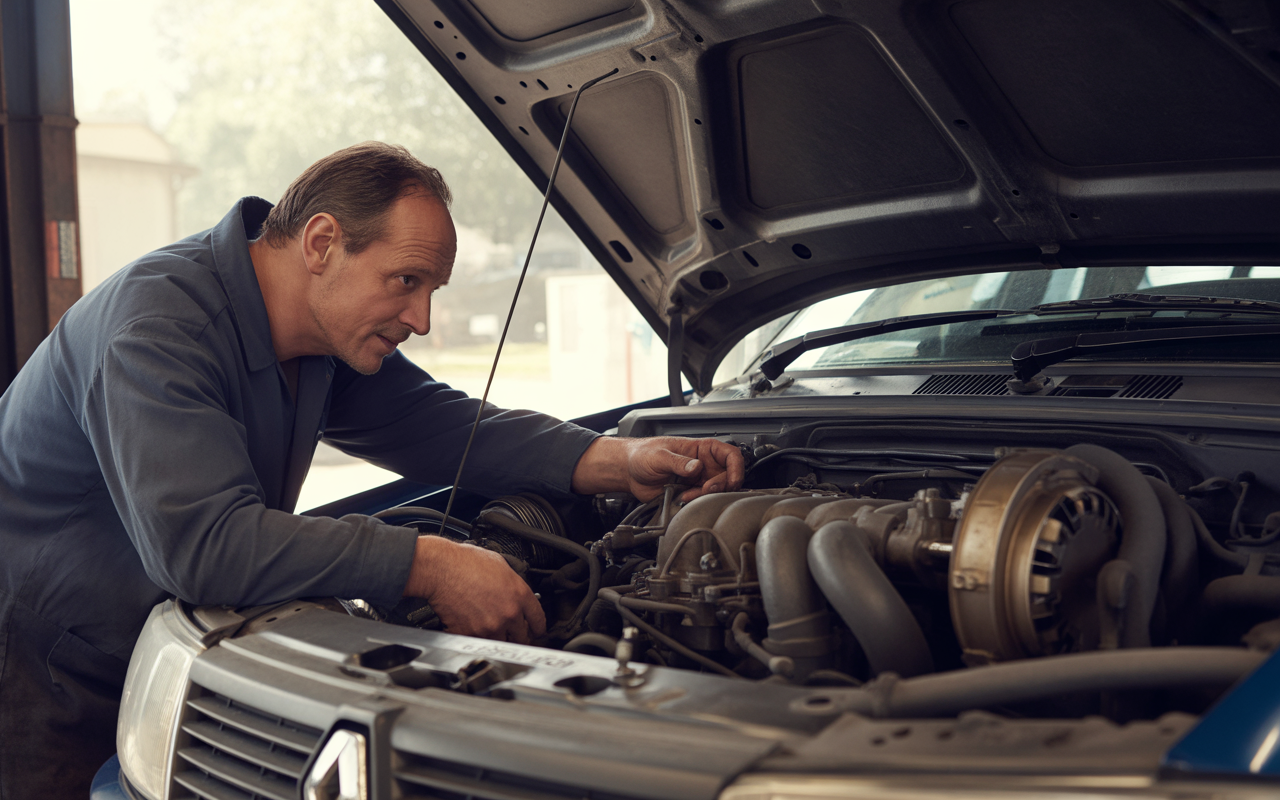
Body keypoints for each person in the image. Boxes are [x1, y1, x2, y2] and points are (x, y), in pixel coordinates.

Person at [0, 142, 743, 798]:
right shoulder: (160, 329)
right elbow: (205, 547)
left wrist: (621, 461)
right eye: (406, 280)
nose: (420, 319)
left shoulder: (318, 331)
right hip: (39, 667)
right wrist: (428, 563)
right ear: (322, 242)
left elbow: (443, 426)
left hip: (143, 649)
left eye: (432, 292)